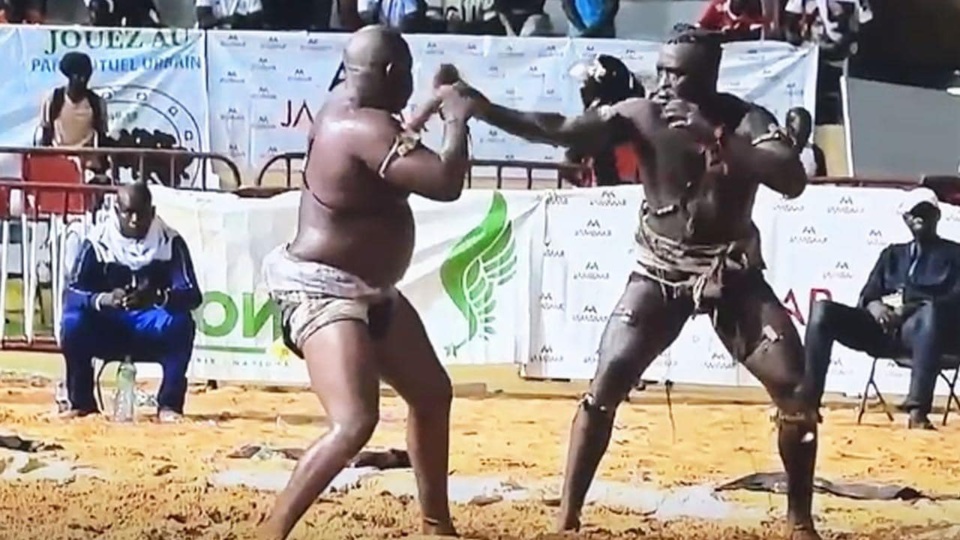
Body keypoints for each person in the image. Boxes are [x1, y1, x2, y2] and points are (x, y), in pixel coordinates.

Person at [445, 25, 819, 539]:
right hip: (660, 270)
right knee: (605, 384)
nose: (663, 83)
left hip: (730, 274)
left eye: (677, 74)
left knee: (795, 389)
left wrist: (717, 138)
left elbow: (791, 179)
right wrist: (486, 109)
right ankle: (568, 519)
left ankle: (800, 522)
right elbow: (559, 129)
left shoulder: (746, 119)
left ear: (708, 77)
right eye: (661, 70)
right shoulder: (640, 113)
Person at [257, 25, 476, 540]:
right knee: (354, 422)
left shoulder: (350, 109)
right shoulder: (358, 129)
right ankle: (271, 530)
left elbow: (397, 137)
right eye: (410, 77)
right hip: (320, 287)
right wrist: (459, 121)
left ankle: (436, 525)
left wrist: (430, 104)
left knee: (430, 392)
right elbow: (445, 183)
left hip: (370, 288)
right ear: (393, 73)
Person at [805, 188, 960, 430]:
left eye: (926, 212)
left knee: (930, 315)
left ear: (937, 217)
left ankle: (917, 411)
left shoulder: (955, 254)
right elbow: (868, 294)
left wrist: (908, 311)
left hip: (930, 335)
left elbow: (954, 301)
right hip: (883, 331)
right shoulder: (892, 255)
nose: (919, 217)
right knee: (823, 311)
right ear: (905, 218)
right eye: (914, 213)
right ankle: (806, 404)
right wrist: (875, 306)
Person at [59, 183, 202, 423]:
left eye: (142, 212)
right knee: (72, 322)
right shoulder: (97, 242)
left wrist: (158, 297)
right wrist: (104, 299)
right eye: (128, 212)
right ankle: (81, 402)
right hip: (108, 326)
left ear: (153, 211)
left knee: (181, 323)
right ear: (116, 211)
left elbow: (192, 294)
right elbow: (72, 292)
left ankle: (169, 404)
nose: (135, 220)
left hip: (149, 325)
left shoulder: (170, 242)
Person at [565, 54, 645, 187]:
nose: (582, 89)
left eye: (586, 84)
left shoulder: (596, 122)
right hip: (632, 195)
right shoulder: (638, 115)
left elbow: (567, 167)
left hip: (606, 198)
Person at [38, 52, 109, 175]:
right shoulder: (54, 100)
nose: (83, 81)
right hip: (59, 162)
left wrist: (102, 169)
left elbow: (102, 137)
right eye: (79, 76)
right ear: (70, 77)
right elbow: (46, 135)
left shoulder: (96, 103)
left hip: (88, 167)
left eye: (86, 77)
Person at [785, 107, 827, 177]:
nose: (807, 130)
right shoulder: (780, 150)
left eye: (807, 126)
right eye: (802, 126)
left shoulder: (816, 153)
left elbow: (823, 181)